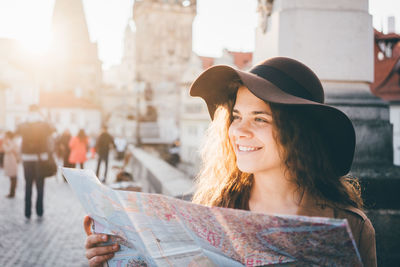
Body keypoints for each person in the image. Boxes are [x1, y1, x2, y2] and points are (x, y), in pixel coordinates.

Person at [82, 57, 376, 266]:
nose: (239, 131)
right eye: (236, 116)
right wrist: (111, 259)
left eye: (260, 118)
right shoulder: (209, 211)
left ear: (300, 136)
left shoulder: (350, 227)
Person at [16, 104, 54, 219]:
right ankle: (39, 211)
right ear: (38, 111)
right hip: (40, 158)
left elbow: (17, 133)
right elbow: (52, 130)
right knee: (40, 186)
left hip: (27, 158)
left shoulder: (23, 124)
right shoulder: (44, 124)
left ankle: (27, 212)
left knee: (28, 185)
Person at [2, 131, 19, 198]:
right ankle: (12, 192)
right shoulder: (9, 142)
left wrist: (5, 144)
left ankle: (12, 193)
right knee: (12, 177)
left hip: (12, 160)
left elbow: (8, 150)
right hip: (9, 160)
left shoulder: (11, 142)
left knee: (13, 177)